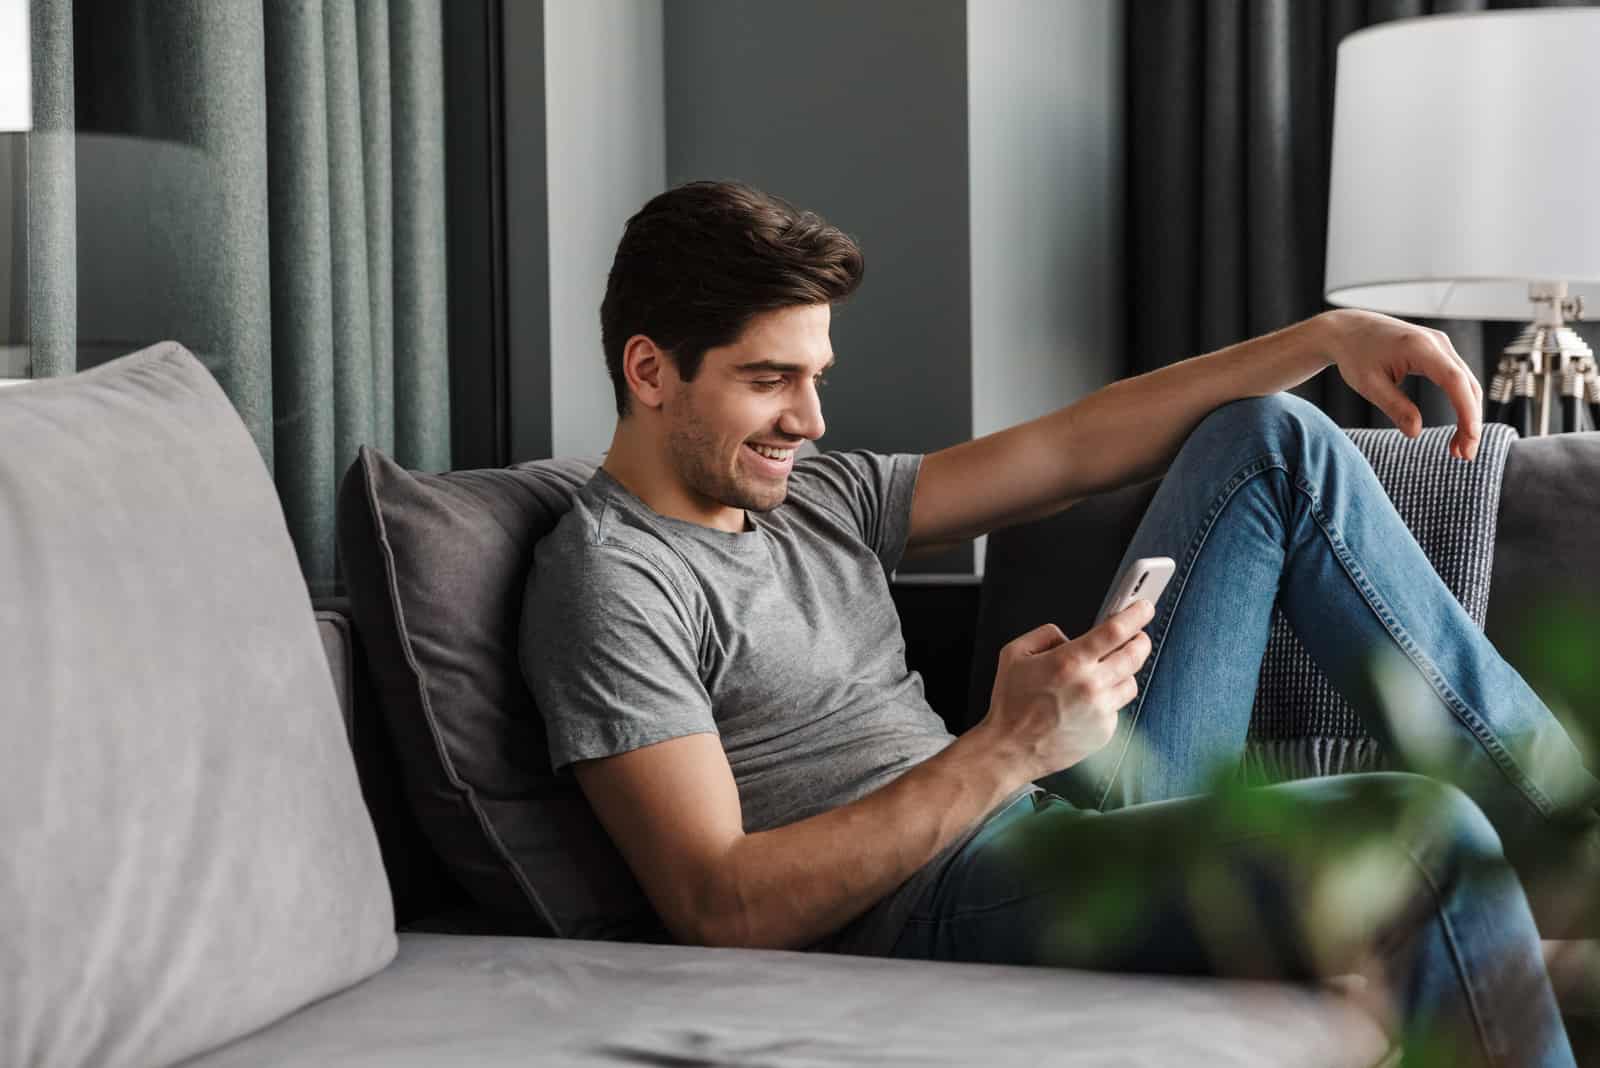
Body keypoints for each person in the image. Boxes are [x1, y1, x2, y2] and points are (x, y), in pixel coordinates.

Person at [522, 180, 1598, 1066]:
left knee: (1277, 439)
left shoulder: (812, 496)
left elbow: (1066, 450)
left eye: (814, 376)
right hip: (933, 907)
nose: (809, 419)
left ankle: (1575, 831)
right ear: (650, 371)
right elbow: (722, 906)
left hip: (1033, 819)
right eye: (770, 381)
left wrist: (1323, 337)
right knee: (1416, 836)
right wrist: (1005, 748)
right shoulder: (612, 584)